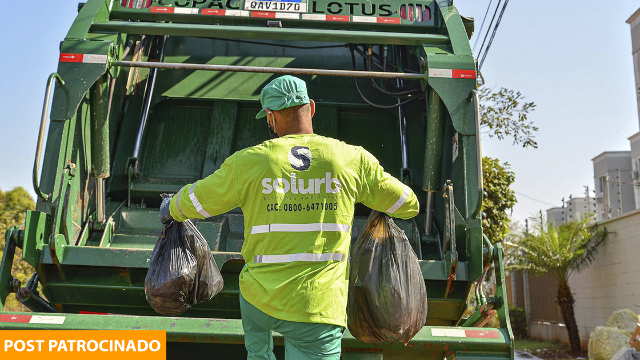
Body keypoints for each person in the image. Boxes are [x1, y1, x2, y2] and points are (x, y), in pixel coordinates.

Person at [160, 75, 419, 359]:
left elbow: (198, 200)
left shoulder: (247, 162)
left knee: (258, 350)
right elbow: (409, 204)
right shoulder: (351, 158)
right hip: (316, 307)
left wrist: (170, 208)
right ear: (311, 107)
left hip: (259, 300)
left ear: (270, 118)